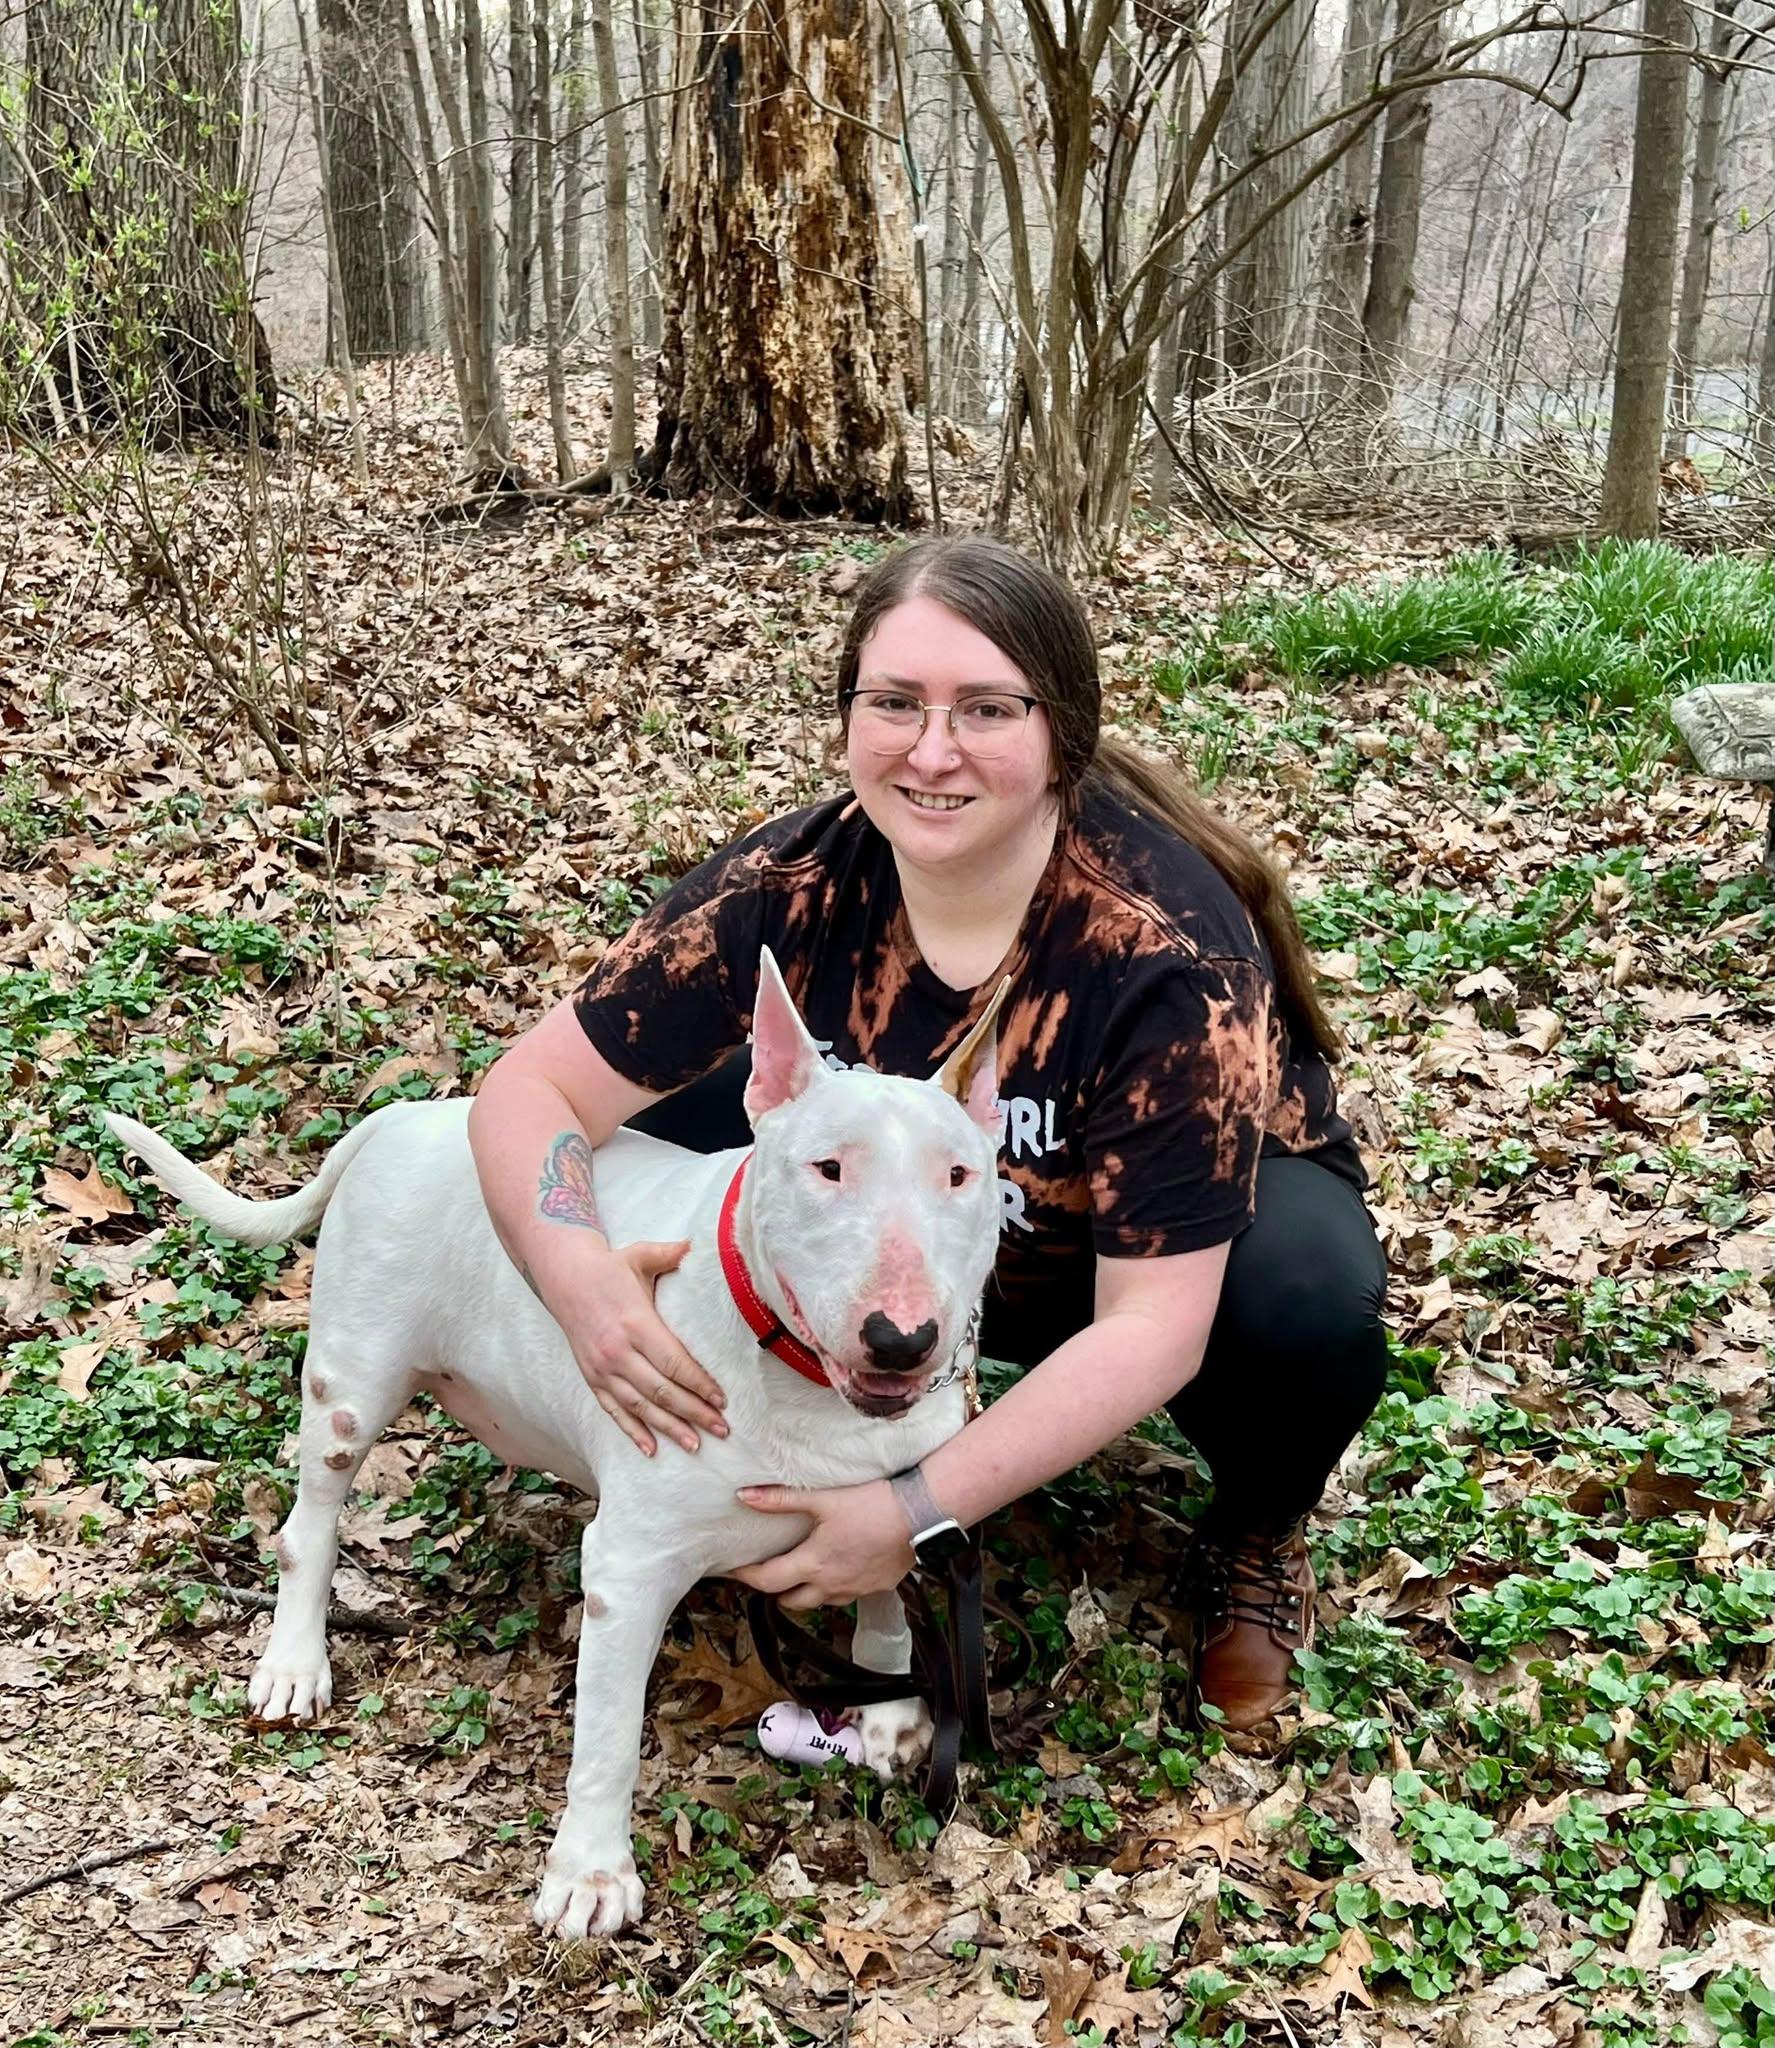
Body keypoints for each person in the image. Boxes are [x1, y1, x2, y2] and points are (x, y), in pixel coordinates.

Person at [466, 536, 1387, 1732]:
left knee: (1304, 1299)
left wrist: (908, 1510)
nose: (932, 749)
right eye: (893, 702)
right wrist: (583, 1285)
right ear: (847, 712)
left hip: (1117, 1255)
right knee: (678, 1109)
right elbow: (524, 1093)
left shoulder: (1167, 954)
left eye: (986, 709)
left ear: (1063, 732)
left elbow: (1152, 1328)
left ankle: (1257, 1524)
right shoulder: (794, 879)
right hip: (885, 1221)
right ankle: (745, 1415)